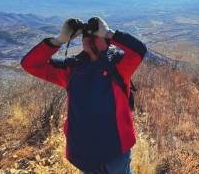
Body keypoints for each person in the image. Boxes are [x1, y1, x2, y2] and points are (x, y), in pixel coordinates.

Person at [21, 16, 147, 174]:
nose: (88, 38)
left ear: (106, 42)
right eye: (85, 36)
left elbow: (139, 50)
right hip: (83, 149)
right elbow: (30, 64)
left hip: (115, 147)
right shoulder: (72, 67)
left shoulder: (118, 64)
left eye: (94, 35)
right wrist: (59, 39)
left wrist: (108, 33)